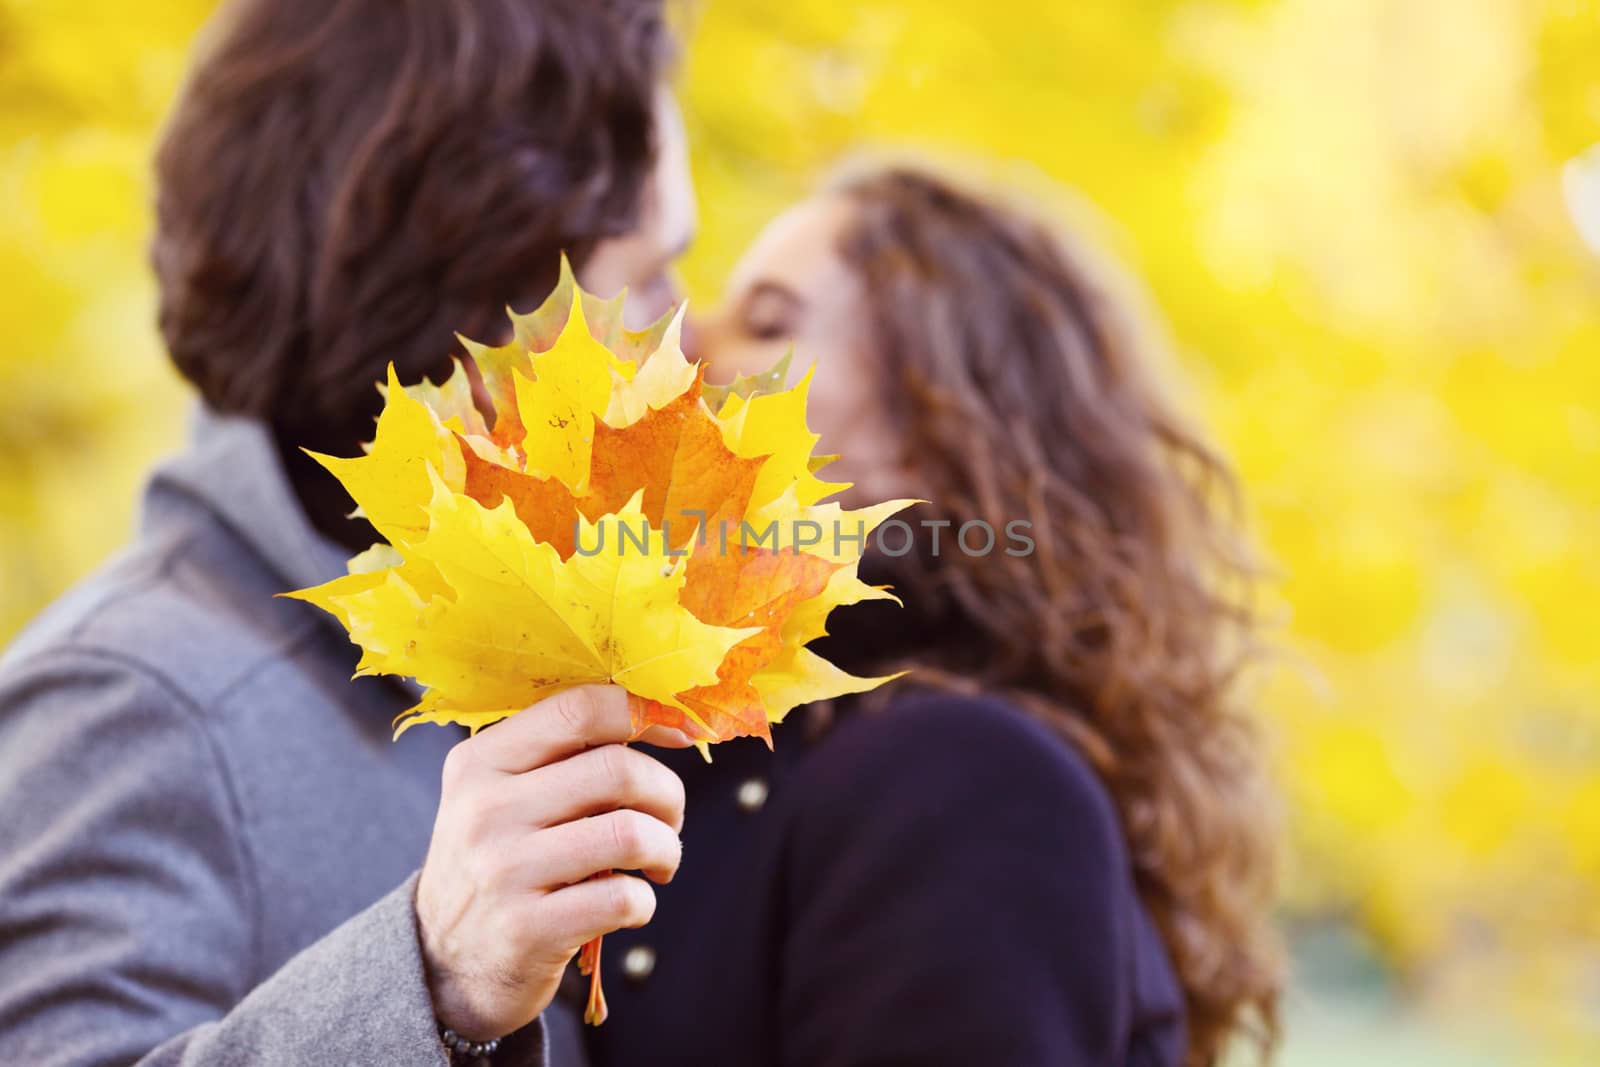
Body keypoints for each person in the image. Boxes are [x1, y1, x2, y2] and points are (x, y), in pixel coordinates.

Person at [0, 1, 697, 1064]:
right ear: (479, 310)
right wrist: (438, 981)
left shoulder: (483, 653)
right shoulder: (133, 699)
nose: (688, 338)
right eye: (646, 278)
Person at [578, 165, 1286, 1067]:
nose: (683, 342)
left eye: (768, 322)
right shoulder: (747, 744)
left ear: (938, 432)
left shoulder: (963, 780)